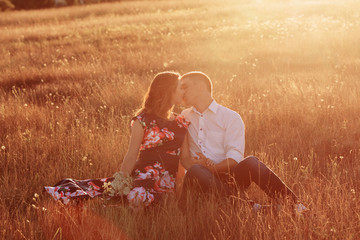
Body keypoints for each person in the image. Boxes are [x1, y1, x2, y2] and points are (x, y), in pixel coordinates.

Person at [44, 71, 192, 208]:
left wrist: (206, 170)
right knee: (129, 195)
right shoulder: (142, 121)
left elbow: (185, 158)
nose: (184, 91)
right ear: (168, 90)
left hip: (166, 183)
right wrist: (121, 182)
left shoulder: (181, 122)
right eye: (180, 88)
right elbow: (132, 155)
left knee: (147, 201)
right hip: (142, 175)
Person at [179, 71, 307, 213]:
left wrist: (212, 168)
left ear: (201, 87)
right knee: (196, 170)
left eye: (185, 86)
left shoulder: (231, 117)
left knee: (252, 162)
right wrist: (202, 168)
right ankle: (250, 207)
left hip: (227, 177)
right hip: (199, 179)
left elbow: (234, 158)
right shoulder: (184, 117)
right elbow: (184, 159)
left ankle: (296, 206)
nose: (181, 91)